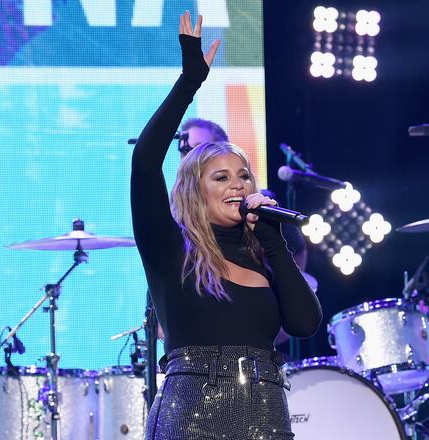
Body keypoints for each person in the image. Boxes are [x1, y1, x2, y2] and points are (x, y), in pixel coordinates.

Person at [131, 12, 322, 440]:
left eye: (244, 176)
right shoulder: (169, 249)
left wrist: (273, 243)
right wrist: (188, 82)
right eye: (221, 178)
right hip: (191, 416)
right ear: (195, 191)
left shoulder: (264, 252)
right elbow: (144, 162)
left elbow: (306, 324)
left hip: (266, 413)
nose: (237, 185)